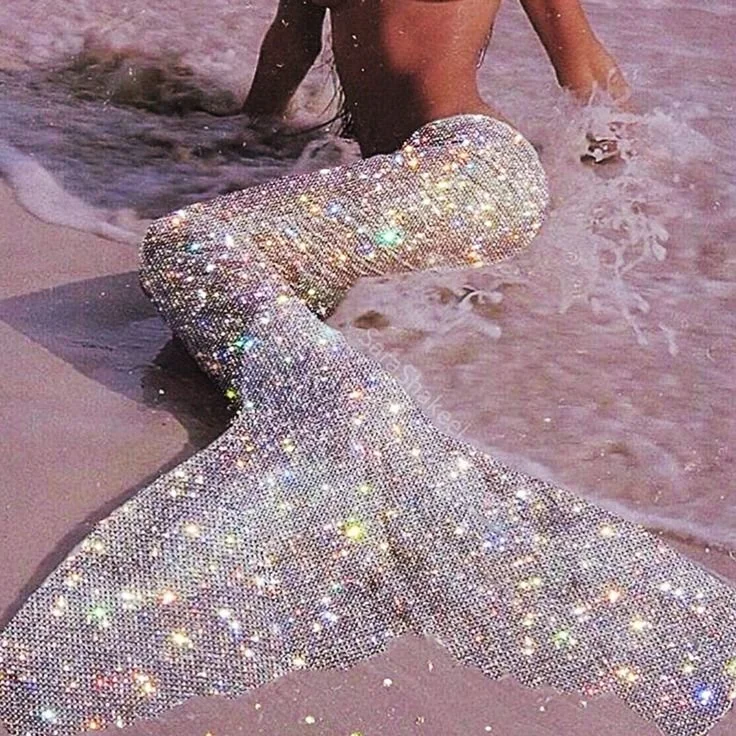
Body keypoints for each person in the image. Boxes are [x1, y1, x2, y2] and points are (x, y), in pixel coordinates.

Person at [1, 8, 735, 736]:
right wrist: (235, 145)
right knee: (222, 297)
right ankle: (342, 416)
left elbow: (586, 70)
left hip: (470, 170)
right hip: (422, 183)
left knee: (190, 246)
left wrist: (627, 197)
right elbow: (289, 50)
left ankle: (353, 415)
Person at [242, 0, 631, 156]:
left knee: (218, 243)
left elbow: (585, 68)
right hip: (435, 176)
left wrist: (623, 171)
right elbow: (289, 49)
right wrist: (248, 138)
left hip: (465, 164)